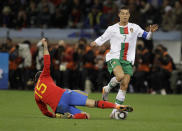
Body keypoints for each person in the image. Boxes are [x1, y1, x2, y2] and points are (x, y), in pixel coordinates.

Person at [34, 38, 133, 119]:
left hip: (58, 107)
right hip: (66, 95)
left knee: (86, 116)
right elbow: (47, 61)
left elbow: (45, 112)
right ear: (41, 76)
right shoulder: (44, 76)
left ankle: (72, 116)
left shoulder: (36, 95)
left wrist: (55, 116)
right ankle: (116, 106)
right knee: (92, 103)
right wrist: (45, 46)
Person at [90, 6, 158, 118]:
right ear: (119, 15)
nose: (125, 15)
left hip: (128, 60)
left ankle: (114, 112)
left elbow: (147, 37)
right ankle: (107, 88)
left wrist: (150, 32)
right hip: (114, 57)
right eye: (123, 13)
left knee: (124, 85)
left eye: (127, 13)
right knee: (120, 76)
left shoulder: (134, 27)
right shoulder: (112, 28)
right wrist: (95, 43)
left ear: (129, 15)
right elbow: (102, 38)